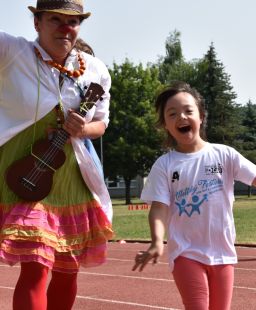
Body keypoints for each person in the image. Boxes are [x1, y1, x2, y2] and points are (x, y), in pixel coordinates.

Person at [131, 82, 256, 310]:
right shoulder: (164, 165)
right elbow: (159, 208)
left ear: (201, 116)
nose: (181, 117)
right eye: (172, 114)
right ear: (165, 125)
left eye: (188, 111)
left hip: (223, 254)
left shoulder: (224, 155)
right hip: (186, 253)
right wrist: (156, 241)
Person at [0, 1, 113, 309]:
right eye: (56, 19)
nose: (66, 28)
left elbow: (101, 123)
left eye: (74, 21)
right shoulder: (12, 51)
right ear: (37, 23)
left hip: (70, 175)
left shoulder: (95, 69)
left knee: (67, 269)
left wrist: (82, 129)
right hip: (19, 170)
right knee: (36, 264)